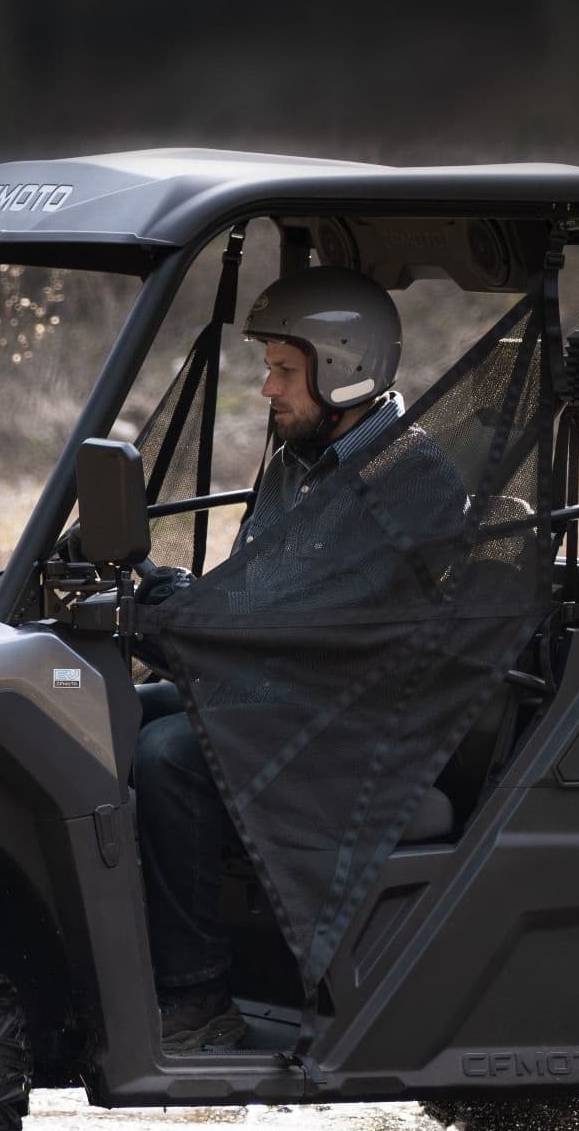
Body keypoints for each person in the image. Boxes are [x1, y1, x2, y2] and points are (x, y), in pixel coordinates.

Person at [132, 266, 464, 1052]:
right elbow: (263, 589)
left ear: (344, 368)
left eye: (284, 370)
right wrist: (171, 594)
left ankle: (198, 999)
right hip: (289, 696)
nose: (267, 389)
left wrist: (184, 618)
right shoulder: (301, 463)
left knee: (170, 756)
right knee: (119, 715)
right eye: (269, 368)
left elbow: (303, 615)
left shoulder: (411, 480)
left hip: (358, 725)